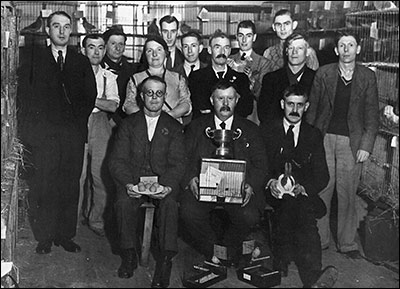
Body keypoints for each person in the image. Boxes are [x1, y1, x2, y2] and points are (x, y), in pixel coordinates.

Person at [17, 11, 97, 254]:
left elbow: (89, 97)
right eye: (56, 26)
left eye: (65, 26)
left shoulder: (80, 61)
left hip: (72, 136)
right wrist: (36, 132)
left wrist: (74, 126)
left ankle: (65, 235)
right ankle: (45, 236)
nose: (61, 31)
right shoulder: (34, 60)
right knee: (45, 184)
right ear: (48, 30)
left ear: (71, 30)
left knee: (70, 185)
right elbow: (26, 98)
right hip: (45, 138)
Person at [305, 31, 379, 259]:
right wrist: (309, 142)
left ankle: (347, 242)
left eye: (351, 45)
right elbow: (313, 111)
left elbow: (372, 116)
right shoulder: (323, 74)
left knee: (347, 191)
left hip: (352, 141)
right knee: (323, 188)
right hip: (324, 138)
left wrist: (366, 145)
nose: (346, 49)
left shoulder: (367, 77)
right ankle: (321, 239)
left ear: (358, 49)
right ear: (336, 50)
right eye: (342, 45)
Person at [180, 79, 268, 266]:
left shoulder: (251, 129)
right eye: (221, 98)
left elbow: (261, 165)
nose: (225, 104)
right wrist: (191, 179)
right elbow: (183, 159)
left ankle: (226, 248)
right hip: (203, 190)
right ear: (212, 100)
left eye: (230, 98)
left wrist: (250, 184)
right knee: (188, 212)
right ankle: (214, 249)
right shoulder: (196, 127)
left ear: (237, 100)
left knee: (249, 215)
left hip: (239, 191)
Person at [108, 75, 186, 287]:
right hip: (133, 181)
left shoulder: (174, 126)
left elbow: (179, 163)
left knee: (170, 204)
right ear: (141, 96)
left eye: (159, 93)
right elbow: (117, 161)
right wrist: (128, 185)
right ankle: (129, 255)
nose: (154, 98)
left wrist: (167, 185)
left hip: (162, 181)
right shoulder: (127, 125)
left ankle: (165, 261)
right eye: (149, 93)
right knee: (123, 203)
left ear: (164, 97)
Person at [261, 84, 338, 288]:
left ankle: (307, 274)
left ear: (307, 107)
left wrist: (304, 188)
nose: (294, 110)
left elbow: (323, 175)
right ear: (282, 104)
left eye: (300, 105)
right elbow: (258, 166)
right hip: (273, 193)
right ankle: (302, 270)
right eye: (290, 104)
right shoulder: (268, 130)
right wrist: (269, 183)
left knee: (300, 207)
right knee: (294, 208)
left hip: (300, 194)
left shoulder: (313, 135)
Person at [79, 33, 119, 237]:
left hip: (100, 123)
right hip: (78, 123)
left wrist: (87, 98)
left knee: (100, 175)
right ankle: (74, 220)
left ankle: (96, 219)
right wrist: (97, 100)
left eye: (100, 47)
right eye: (91, 47)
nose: (96, 52)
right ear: (83, 49)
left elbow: (112, 104)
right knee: (78, 175)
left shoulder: (108, 76)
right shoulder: (74, 73)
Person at [123, 35, 191, 124]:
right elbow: (128, 105)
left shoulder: (177, 78)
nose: (154, 54)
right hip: (143, 126)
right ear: (145, 55)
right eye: (149, 51)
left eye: (159, 50)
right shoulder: (135, 79)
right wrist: (147, 118)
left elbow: (186, 103)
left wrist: (168, 116)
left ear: (166, 53)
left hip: (172, 126)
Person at [189, 30, 254, 120]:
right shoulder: (197, 77)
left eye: (226, 47)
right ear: (209, 50)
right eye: (217, 47)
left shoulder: (241, 79)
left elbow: (246, 109)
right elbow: (199, 106)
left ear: (230, 51)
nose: (222, 52)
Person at [258, 33, 316, 126]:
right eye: (291, 48)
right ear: (286, 51)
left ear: (308, 52)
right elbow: (264, 114)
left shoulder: (316, 79)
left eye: (299, 48)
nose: (294, 52)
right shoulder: (271, 79)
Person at [227, 20, 272, 125]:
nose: (244, 40)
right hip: (230, 113)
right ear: (236, 37)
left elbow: (263, 95)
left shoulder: (263, 63)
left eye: (248, 36)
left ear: (254, 37)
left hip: (252, 116)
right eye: (241, 35)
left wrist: (251, 80)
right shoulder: (229, 60)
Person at [101, 28, 139, 126]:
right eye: (113, 44)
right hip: (103, 123)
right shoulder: (98, 69)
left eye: (121, 44)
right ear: (105, 45)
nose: (117, 48)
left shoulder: (132, 70)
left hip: (126, 122)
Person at [172, 30, 208, 126]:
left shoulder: (210, 71)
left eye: (193, 46)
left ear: (200, 48)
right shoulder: (172, 73)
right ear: (181, 49)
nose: (189, 51)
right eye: (185, 46)